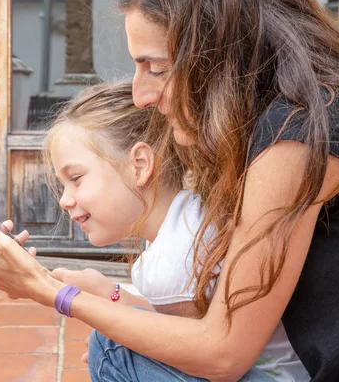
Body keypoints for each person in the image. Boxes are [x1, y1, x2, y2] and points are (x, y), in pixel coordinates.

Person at [0, 0, 339, 381]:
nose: (140, 94)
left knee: (111, 349)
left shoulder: (297, 133)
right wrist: (106, 294)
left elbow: (222, 353)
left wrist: (50, 292)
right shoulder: (302, 117)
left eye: (157, 68)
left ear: (223, 55)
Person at [45, 80, 310, 381]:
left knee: (109, 346)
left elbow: (190, 348)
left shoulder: (172, 259)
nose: (65, 200)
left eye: (76, 178)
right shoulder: (191, 218)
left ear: (141, 165)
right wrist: (108, 291)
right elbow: (170, 321)